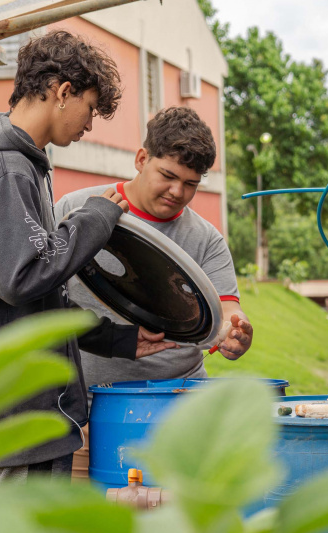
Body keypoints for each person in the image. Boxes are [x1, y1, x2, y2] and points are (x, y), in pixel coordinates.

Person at [0, 30, 175, 485]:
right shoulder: (8, 169)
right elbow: (21, 278)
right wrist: (95, 219)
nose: (90, 125)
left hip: (19, 407)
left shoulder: (20, 165)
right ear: (62, 91)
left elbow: (38, 300)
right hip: (24, 408)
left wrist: (119, 340)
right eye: (90, 109)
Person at [55, 107, 253, 387]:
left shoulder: (208, 239)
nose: (177, 191)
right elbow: (40, 297)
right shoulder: (75, 209)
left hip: (180, 395)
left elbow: (226, 311)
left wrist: (235, 331)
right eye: (168, 176)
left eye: (190, 184)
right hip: (87, 398)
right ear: (141, 159)